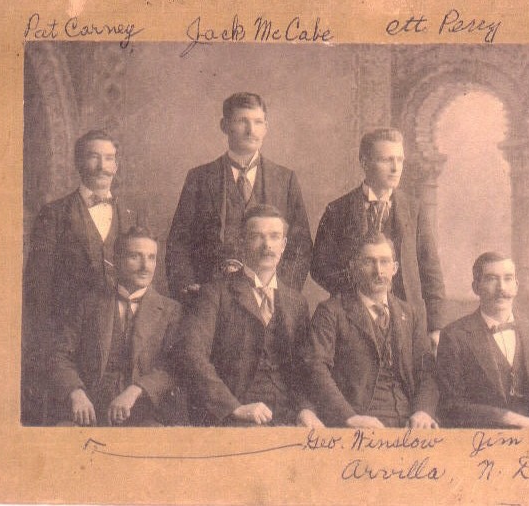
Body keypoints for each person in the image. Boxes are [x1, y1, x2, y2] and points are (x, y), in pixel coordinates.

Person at [22, 129, 143, 425]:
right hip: (69, 335)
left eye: (109, 158)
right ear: (78, 162)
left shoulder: (131, 215)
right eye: (93, 157)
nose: (102, 166)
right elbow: (38, 287)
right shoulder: (54, 214)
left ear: (116, 165)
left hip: (118, 332)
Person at [176, 205, 321, 427]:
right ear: (241, 242)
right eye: (256, 237)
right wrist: (233, 407)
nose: (267, 245)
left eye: (274, 237)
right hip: (235, 415)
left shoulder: (296, 302)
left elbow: (304, 368)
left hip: (287, 415)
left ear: (284, 245)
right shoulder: (215, 293)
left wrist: (305, 409)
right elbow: (191, 354)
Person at [165, 92, 312, 302]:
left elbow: (301, 246)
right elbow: (179, 243)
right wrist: (189, 289)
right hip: (209, 297)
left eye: (258, 122)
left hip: (268, 298)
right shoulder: (199, 178)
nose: (251, 130)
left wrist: (282, 292)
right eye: (242, 121)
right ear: (224, 126)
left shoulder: (284, 179)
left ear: (266, 127)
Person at [310, 128, 445, 349]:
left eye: (399, 160)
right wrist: (359, 290)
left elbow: (431, 270)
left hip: (408, 321)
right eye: (386, 160)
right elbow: (319, 266)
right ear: (365, 162)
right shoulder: (338, 210)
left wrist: (436, 326)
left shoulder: (414, 210)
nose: (395, 168)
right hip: (355, 320)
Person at [301, 233, 439, 428]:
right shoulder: (332, 311)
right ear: (354, 267)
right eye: (369, 262)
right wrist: (349, 417)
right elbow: (316, 368)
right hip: (358, 420)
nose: (378, 271)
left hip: (409, 421)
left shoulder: (410, 314)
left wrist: (423, 411)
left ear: (395, 268)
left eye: (384, 262)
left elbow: (427, 372)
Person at [50, 227, 182, 426]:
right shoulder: (89, 304)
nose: (145, 267)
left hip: (145, 413)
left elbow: (174, 367)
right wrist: (76, 393)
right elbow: (59, 355)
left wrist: (135, 391)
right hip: (90, 411)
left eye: (151, 258)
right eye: (135, 257)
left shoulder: (171, 311)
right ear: (117, 260)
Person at [436, 252, 529, 429]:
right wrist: (507, 418)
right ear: (476, 287)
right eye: (491, 279)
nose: (501, 288)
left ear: (516, 286)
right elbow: (450, 406)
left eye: (508, 278)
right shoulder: (455, 335)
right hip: (483, 436)